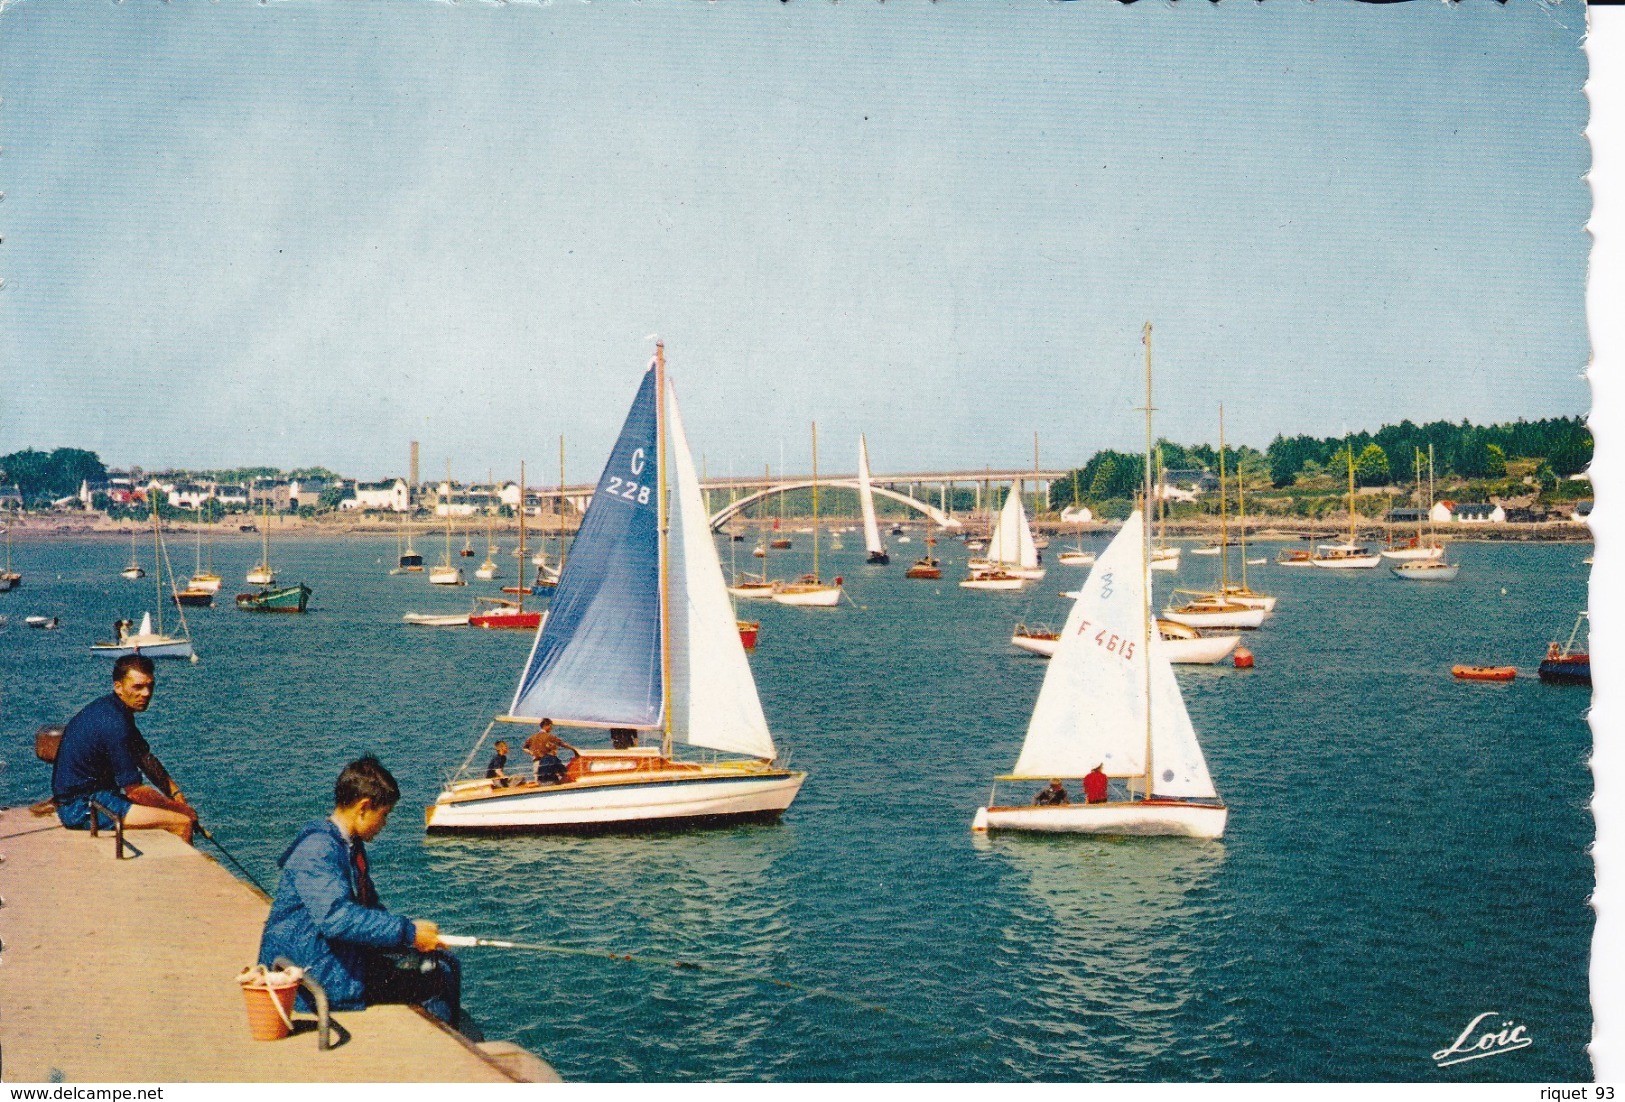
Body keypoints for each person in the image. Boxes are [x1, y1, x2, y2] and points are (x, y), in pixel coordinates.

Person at [258, 756, 462, 1026]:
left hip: (330, 958)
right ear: (364, 807)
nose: (385, 824)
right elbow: (336, 918)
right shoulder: (318, 850)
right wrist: (408, 933)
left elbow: (368, 908)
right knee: (438, 972)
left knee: (438, 959)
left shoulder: (348, 846)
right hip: (314, 974)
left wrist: (412, 937)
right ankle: (444, 1054)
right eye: (384, 815)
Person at [52, 653, 198, 843]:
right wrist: (181, 810)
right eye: (137, 687)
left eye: (150, 686)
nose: (146, 693)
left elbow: (145, 758)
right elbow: (134, 791)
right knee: (181, 822)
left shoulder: (115, 710)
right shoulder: (115, 724)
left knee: (171, 812)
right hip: (81, 807)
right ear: (118, 687)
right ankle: (181, 873)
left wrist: (176, 794)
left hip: (95, 796)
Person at [525, 719, 578, 784]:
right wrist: (573, 749)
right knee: (552, 779)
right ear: (547, 726)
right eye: (551, 726)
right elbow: (562, 743)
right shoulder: (549, 736)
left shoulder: (532, 737)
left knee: (539, 782)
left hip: (536, 762)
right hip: (548, 763)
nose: (551, 728)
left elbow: (525, 748)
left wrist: (531, 753)